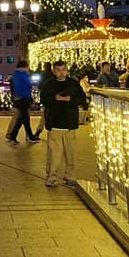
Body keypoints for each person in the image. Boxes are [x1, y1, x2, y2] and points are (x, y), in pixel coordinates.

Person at [40, 60, 87, 188]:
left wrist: (70, 99)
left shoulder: (73, 84)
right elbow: (44, 99)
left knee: (70, 152)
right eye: (58, 70)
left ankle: (70, 175)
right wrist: (55, 99)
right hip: (55, 122)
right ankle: (52, 176)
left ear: (67, 70)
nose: (61, 73)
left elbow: (82, 99)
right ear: (54, 71)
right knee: (54, 153)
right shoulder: (49, 84)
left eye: (63, 70)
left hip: (70, 123)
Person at [6, 60, 39, 145]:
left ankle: (13, 136)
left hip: (18, 98)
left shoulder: (16, 74)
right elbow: (29, 84)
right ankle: (30, 136)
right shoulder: (23, 74)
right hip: (24, 98)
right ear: (25, 66)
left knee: (22, 118)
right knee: (25, 118)